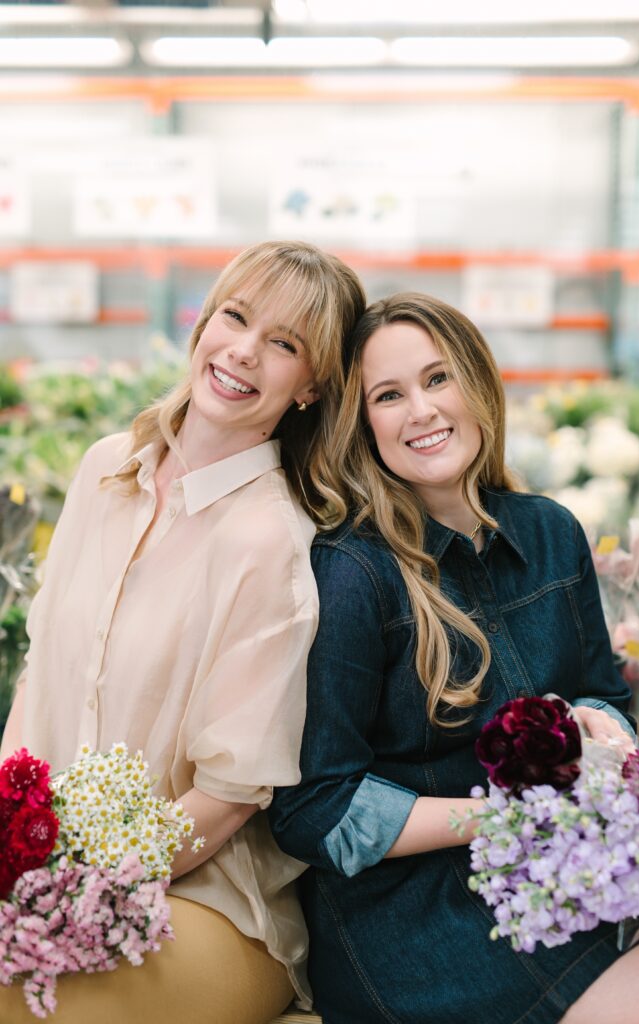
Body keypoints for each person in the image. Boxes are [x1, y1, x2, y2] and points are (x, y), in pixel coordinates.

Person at [269, 293, 639, 1024]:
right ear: (363, 427)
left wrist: (599, 730)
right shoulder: (355, 573)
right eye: (388, 396)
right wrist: (497, 822)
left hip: (566, 859)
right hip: (421, 916)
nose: (420, 410)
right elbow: (315, 810)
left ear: (477, 386)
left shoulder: (549, 532)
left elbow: (599, 691)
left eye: (436, 379)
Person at [0, 240, 366, 1024]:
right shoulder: (105, 471)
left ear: (311, 388)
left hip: (203, 903)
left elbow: (231, 794)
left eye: (284, 344)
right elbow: (41, 673)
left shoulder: (266, 540)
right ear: (202, 320)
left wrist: (87, 885)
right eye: (235, 317)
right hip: (50, 873)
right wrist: (12, 839)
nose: (243, 351)